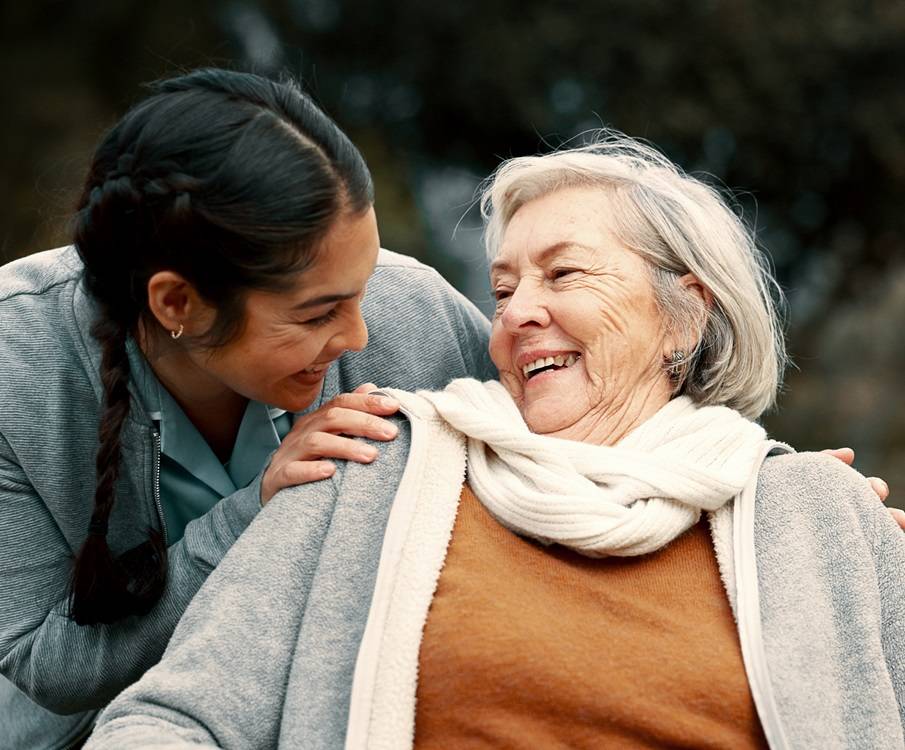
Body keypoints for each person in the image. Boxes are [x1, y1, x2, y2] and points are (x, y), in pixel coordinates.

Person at [85, 134, 905, 749]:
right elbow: (172, 721)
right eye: (503, 288)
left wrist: (850, 531)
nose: (514, 314)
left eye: (564, 274)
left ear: (685, 314)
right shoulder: (376, 464)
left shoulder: (813, 514)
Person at [0, 69, 496, 750]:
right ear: (175, 303)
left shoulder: (419, 317)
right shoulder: (15, 361)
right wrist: (257, 510)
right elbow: (43, 663)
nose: (358, 336)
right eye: (318, 312)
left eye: (363, 284)